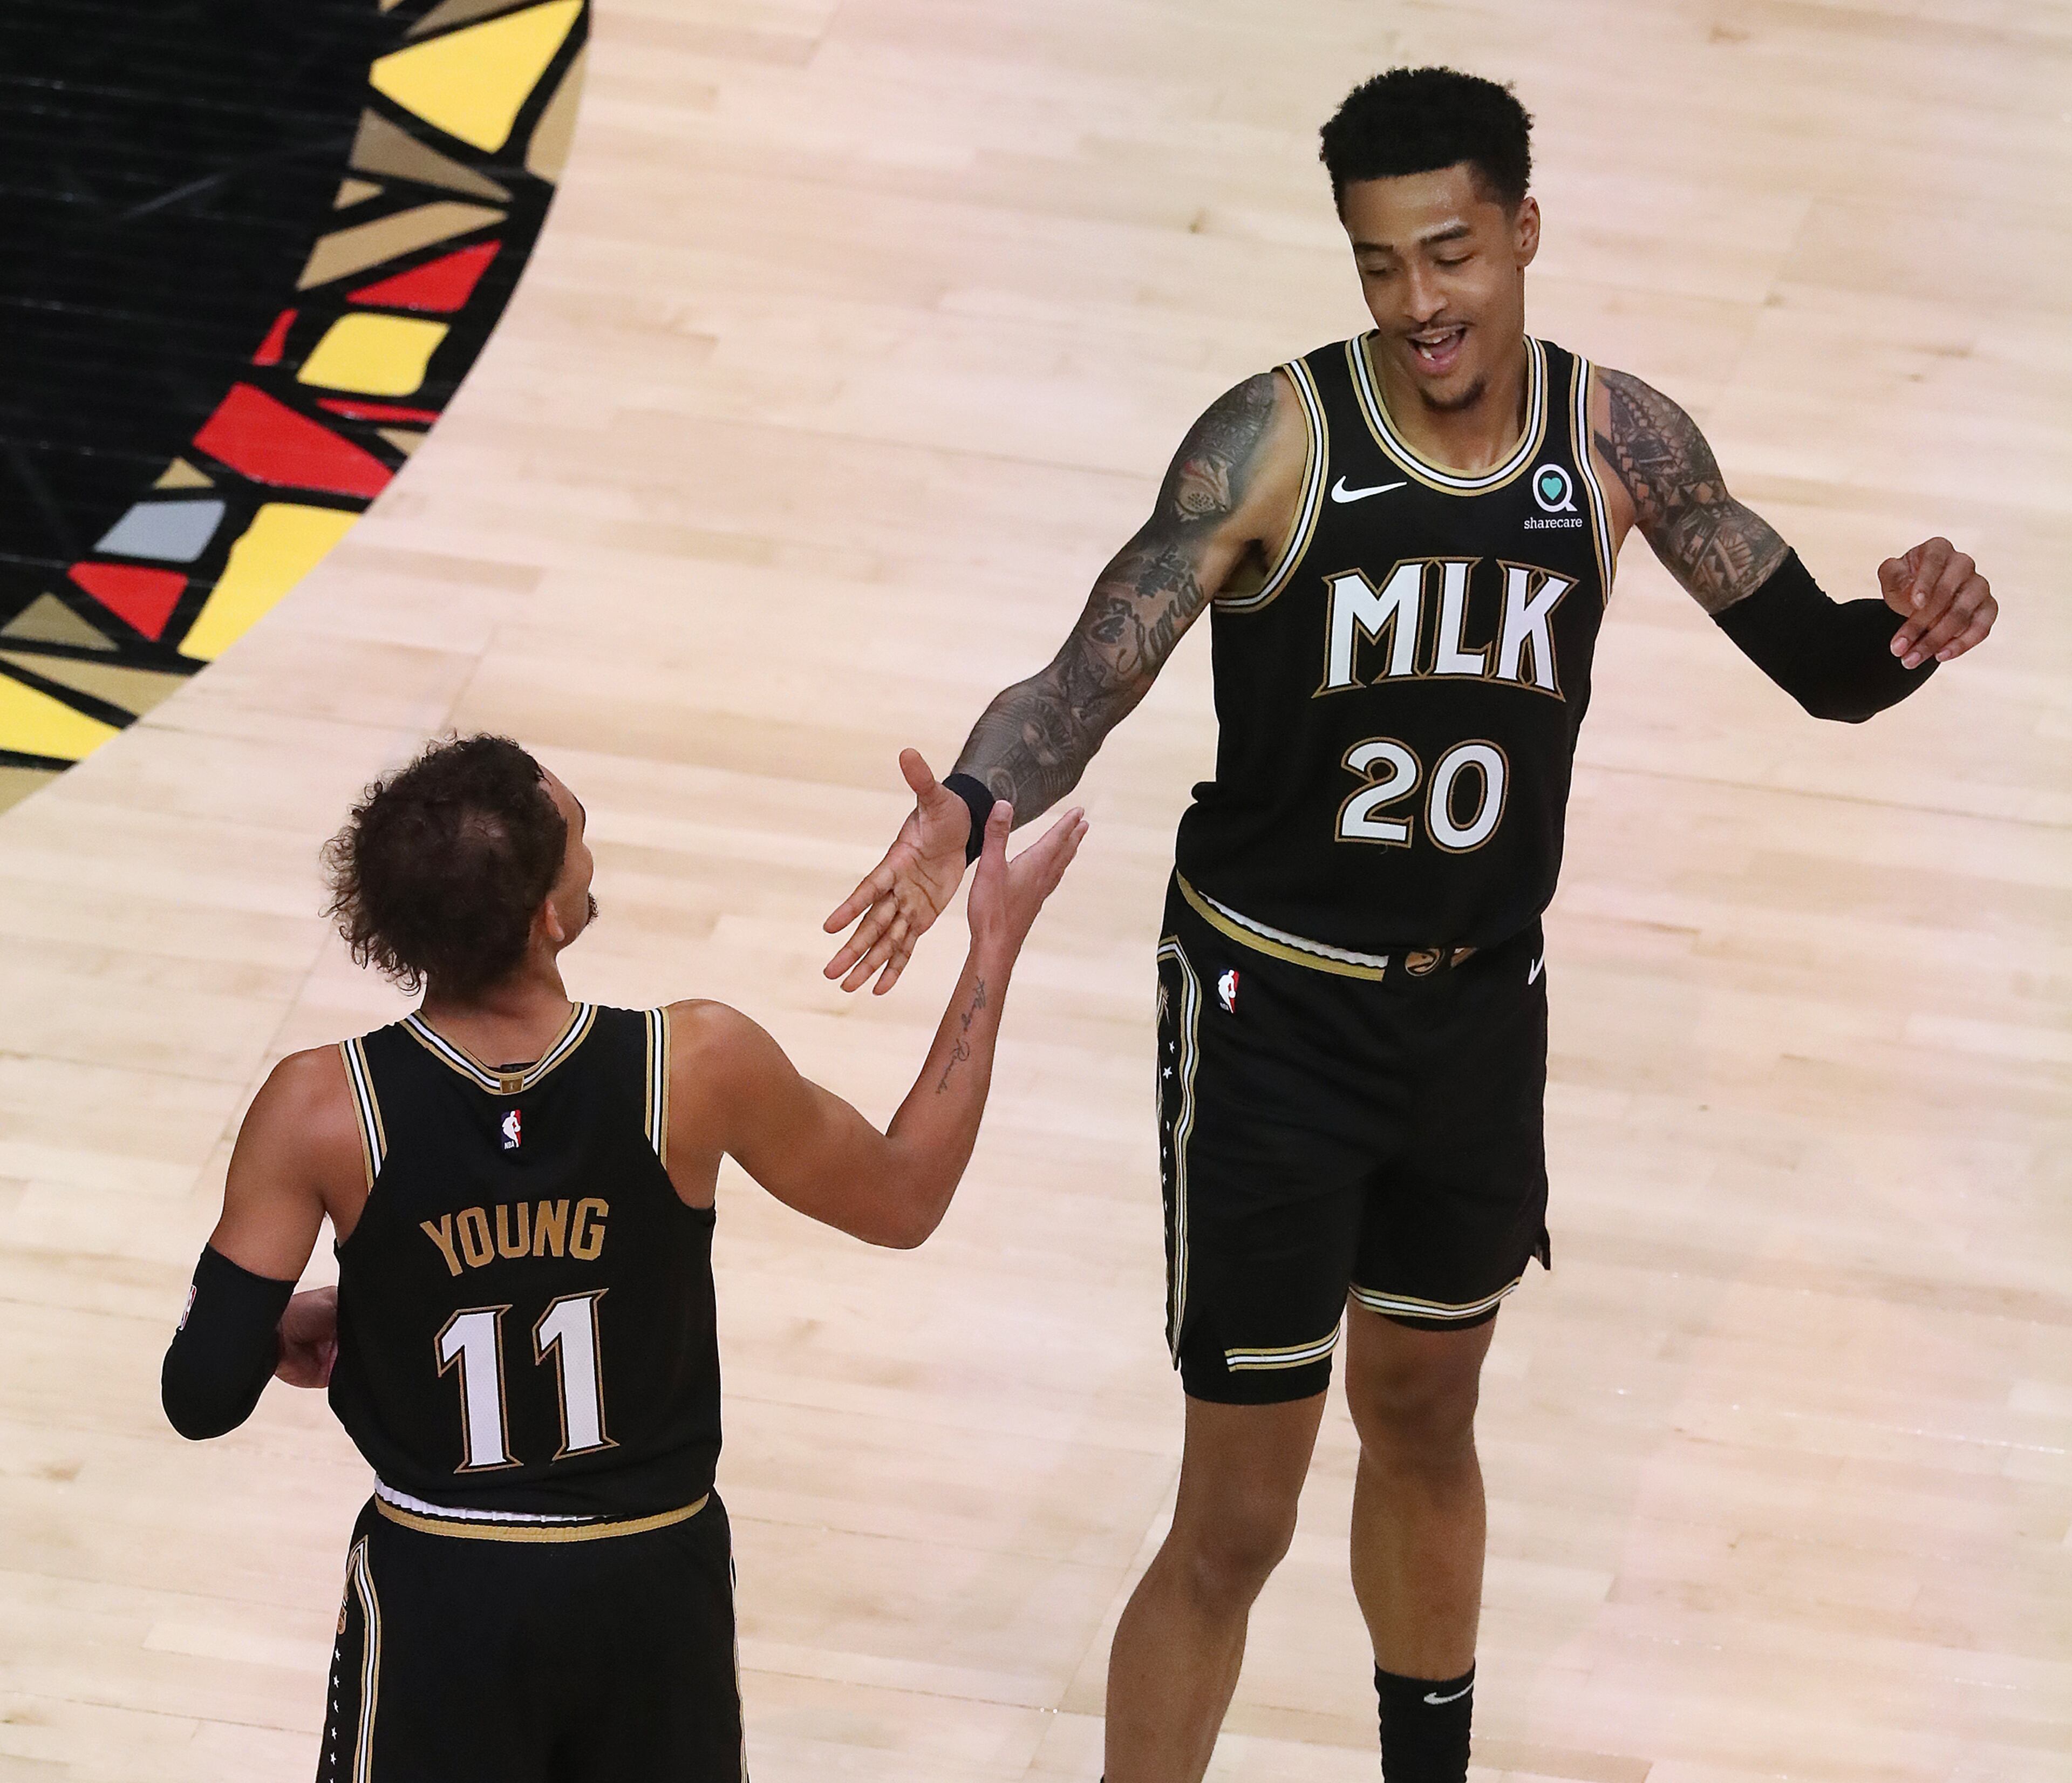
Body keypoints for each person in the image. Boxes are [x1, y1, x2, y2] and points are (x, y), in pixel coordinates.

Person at [819, 65, 1998, 1783]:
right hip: (1273, 1017)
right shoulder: (1277, 442)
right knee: (1235, 1516)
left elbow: (1823, 668)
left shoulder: (1618, 441)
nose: (1419, 303)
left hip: (1473, 1016)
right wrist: (977, 804)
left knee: (1430, 1422)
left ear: (1525, 233)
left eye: (1450, 256)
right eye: (1380, 266)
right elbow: (1091, 669)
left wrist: (1917, 621)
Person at [160, 732, 1085, 1781]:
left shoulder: (322, 1107)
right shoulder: (694, 1064)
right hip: (651, 1590)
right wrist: (991, 957)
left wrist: (311, 1313)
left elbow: (203, 1390)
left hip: (438, 1596)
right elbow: (907, 1194)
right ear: (547, 919)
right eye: (579, 834)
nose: (590, 842)